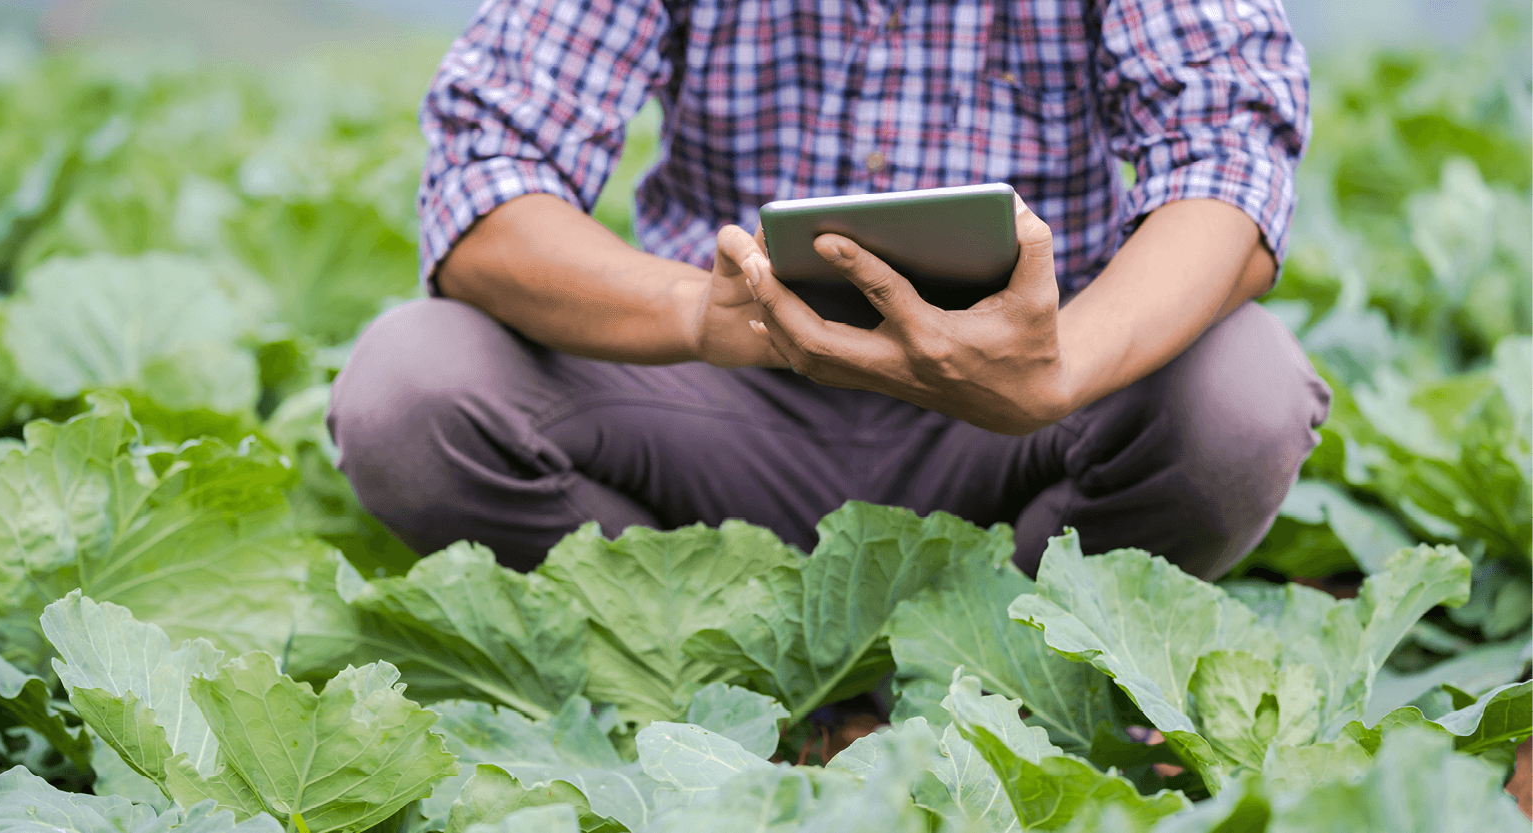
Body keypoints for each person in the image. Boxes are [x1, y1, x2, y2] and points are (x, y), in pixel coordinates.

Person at [327, 0, 1333, 579]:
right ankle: (701, 632)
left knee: (1239, 395)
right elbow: (487, 171)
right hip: (718, 403)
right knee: (411, 384)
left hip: (1019, 409)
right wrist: (694, 312)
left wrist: (1064, 366)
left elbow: (1225, 155)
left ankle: (1018, 642)